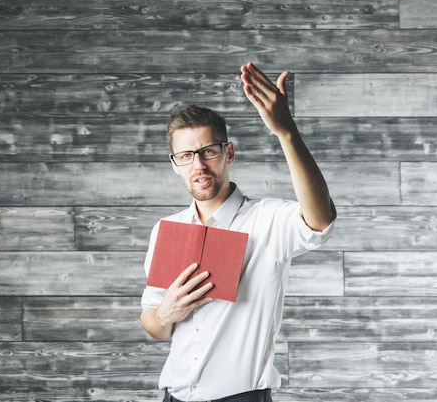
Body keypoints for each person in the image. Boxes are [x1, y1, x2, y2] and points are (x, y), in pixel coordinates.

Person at [140, 62, 337, 402]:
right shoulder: (166, 230)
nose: (198, 166)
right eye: (186, 156)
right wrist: (164, 313)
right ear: (175, 164)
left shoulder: (268, 220)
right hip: (174, 397)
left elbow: (320, 220)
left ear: (228, 153)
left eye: (208, 152)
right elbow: (154, 325)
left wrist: (286, 132)